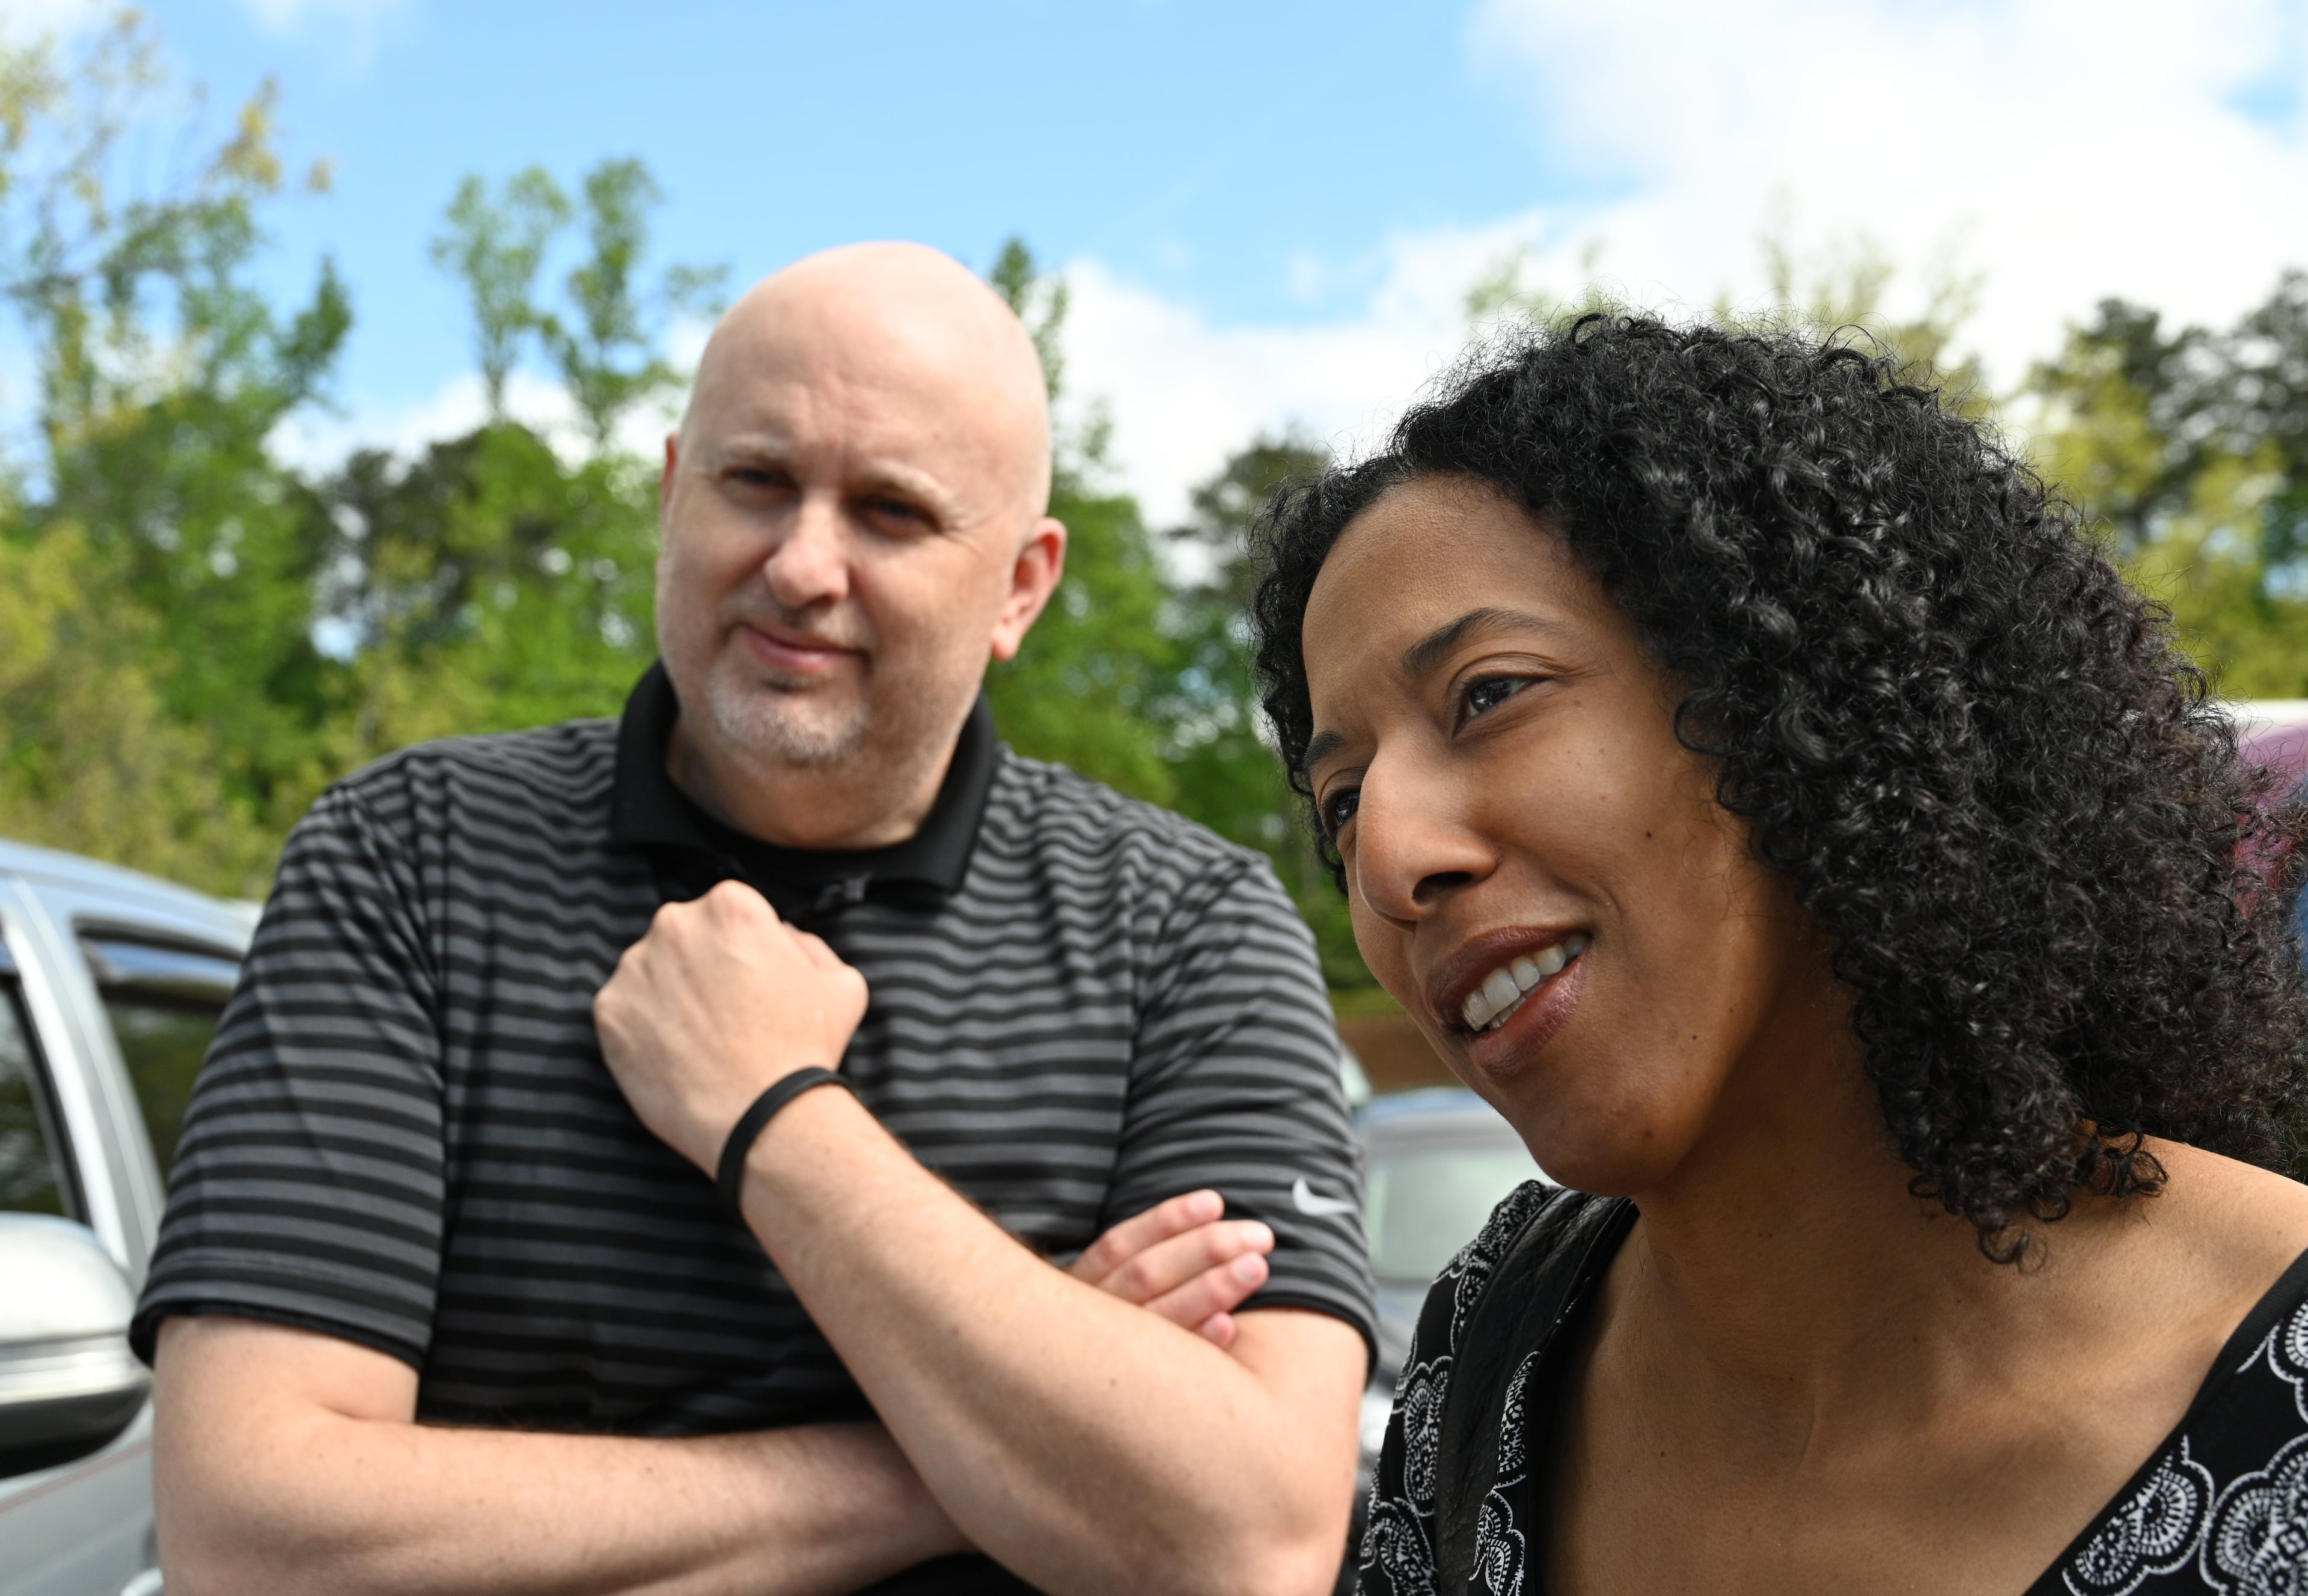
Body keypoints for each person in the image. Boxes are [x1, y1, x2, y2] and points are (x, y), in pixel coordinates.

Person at [138, 242, 1372, 1596]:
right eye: (756, 482)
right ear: (675, 491)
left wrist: (777, 1113)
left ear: (1021, 585)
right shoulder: (406, 858)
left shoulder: (1187, 928)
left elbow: (1251, 1544)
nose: (801, 566)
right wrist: (990, 1455)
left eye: (892, 511)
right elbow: (249, 1539)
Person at [1247, 314, 2308, 1593]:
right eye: (1342, 801)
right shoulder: (1491, 1349)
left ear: (1802, 699)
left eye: (1490, 693)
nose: (1387, 861)